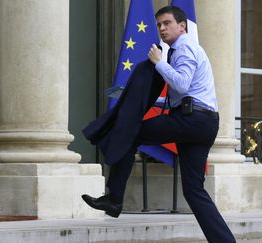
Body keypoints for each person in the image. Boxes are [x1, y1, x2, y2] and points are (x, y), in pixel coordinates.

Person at [82, 6, 235, 242]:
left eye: (167, 23)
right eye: (159, 25)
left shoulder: (183, 47)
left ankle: (114, 199)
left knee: (131, 132)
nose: (162, 29)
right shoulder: (180, 49)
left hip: (192, 120)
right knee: (194, 191)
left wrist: (159, 62)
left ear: (181, 26)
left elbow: (182, 84)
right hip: (202, 123)